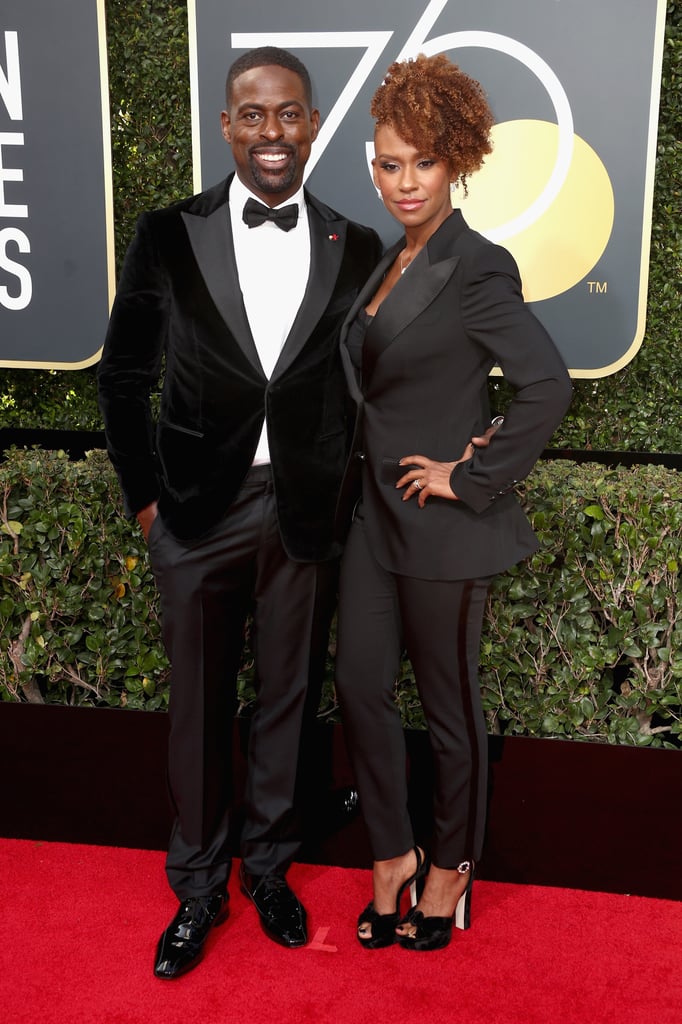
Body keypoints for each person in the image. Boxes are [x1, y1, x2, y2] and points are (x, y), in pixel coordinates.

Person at [97, 46, 381, 978]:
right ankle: (198, 888)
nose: (272, 132)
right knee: (199, 707)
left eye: (289, 113)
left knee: (286, 703)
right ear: (226, 127)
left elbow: (363, 388)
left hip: (298, 515)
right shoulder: (166, 234)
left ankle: (267, 870)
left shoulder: (357, 244)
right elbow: (126, 375)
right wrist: (145, 500)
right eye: (253, 115)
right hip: (194, 510)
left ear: (311, 124)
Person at [334, 53, 572, 952]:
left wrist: (469, 473)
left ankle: (450, 871)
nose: (403, 181)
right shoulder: (390, 260)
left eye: (422, 162)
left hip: (441, 528)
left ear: (457, 162)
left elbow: (546, 386)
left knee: (448, 709)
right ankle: (392, 853)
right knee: (358, 685)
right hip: (371, 521)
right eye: (388, 162)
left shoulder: (477, 265)